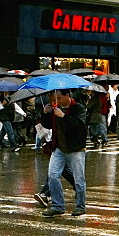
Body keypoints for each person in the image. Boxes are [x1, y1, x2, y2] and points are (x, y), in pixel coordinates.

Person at [40, 89, 88, 217]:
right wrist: (45, 113)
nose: (57, 101)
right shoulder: (56, 109)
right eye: (54, 99)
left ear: (67, 96)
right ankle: (57, 205)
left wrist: (64, 116)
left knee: (79, 179)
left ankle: (80, 206)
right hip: (59, 148)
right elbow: (48, 125)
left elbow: (80, 126)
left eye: (59, 98)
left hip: (75, 148)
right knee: (52, 175)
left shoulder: (78, 108)